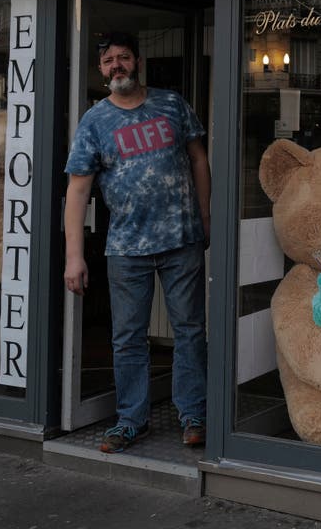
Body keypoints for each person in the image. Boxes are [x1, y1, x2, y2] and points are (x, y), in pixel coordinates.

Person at [63, 32, 211, 454]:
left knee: (189, 331)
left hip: (182, 241)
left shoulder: (171, 103)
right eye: (109, 61)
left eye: (123, 58)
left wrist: (205, 216)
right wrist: (74, 257)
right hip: (126, 248)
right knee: (127, 338)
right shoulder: (94, 121)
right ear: (101, 70)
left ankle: (194, 415)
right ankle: (131, 420)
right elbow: (77, 191)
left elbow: (199, 158)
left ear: (138, 62)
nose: (117, 66)